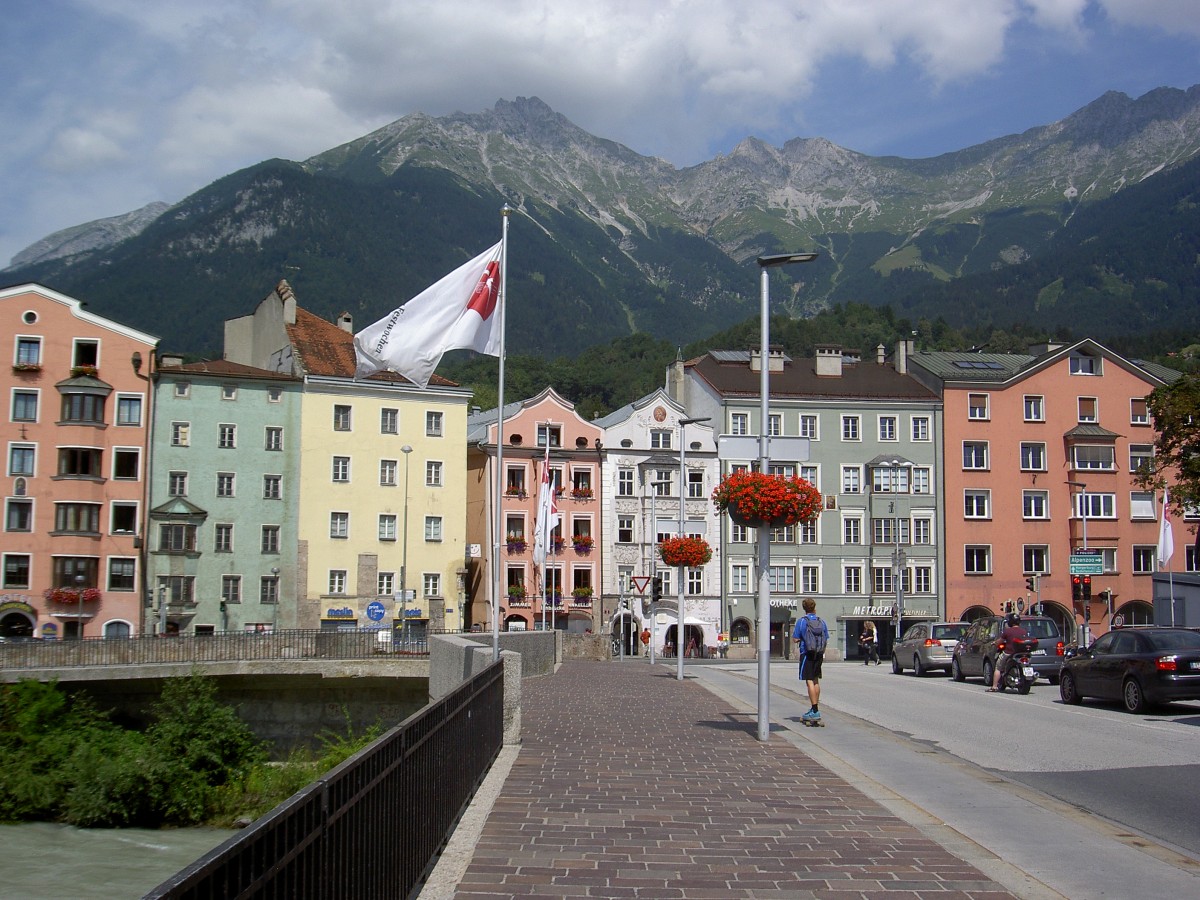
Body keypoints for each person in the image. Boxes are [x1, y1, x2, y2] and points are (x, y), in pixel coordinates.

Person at [792, 598, 830, 723]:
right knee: (816, 680)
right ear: (814, 607)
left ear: (804, 608)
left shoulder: (802, 622)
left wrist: (802, 639)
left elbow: (795, 638)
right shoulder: (821, 622)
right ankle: (815, 708)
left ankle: (814, 710)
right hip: (819, 654)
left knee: (809, 681)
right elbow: (826, 637)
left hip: (807, 653)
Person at [990, 612, 1029, 691]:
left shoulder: (1007, 631)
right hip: (1021, 653)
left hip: (1009, 653)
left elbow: (999, 641)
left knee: (998, 667)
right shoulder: (1024, 631)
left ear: (1010, 622)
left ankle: (994, 686)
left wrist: (994, 643)